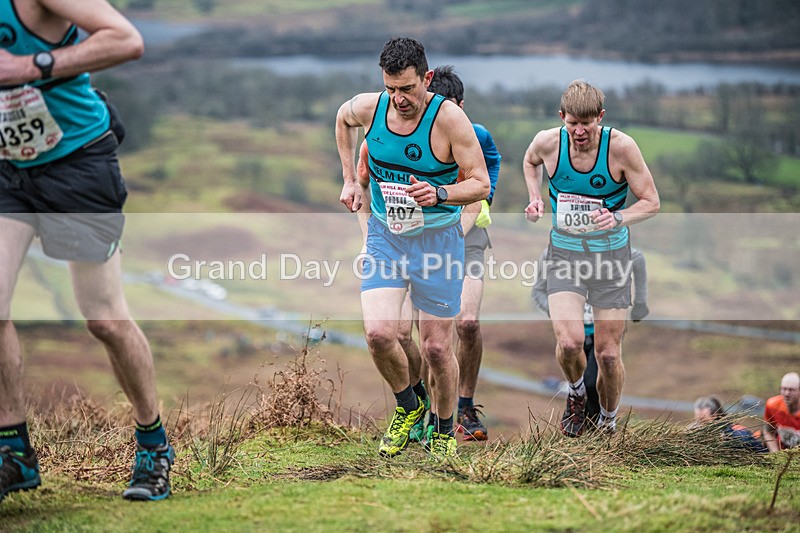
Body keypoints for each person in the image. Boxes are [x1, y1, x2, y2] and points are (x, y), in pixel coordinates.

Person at [0, 0, 174, 502]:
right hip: (8, 169)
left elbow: (127, 39)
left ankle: (153, 447)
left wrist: (30, 67)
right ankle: (14, 452)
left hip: (76, 162)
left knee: (103, 318)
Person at [336, 37, 490, 458]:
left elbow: (481, 184)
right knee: (379, 334)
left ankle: (443, 430)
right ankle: (409, 404)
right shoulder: (372, 107)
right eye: (391, 89)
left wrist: (439, 193)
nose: (398, 99)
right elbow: (342, 118)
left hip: (438, 241)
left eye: (407, 89)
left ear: (426, 78)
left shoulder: (450, 121)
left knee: (437, 348)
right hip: (387, 236)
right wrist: (350, 179)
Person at [523, 80, 660, 437]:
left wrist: (618, 217)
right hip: (565, 255)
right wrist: (535, 197)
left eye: (588, 123)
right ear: (561, 118)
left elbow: (651, 202)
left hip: (611, 260)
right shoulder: (548, 142)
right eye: (573, 124)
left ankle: (608, 423)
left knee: (608, 355)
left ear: (601, 116)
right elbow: (529, 160)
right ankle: (576, 394)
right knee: (569, 343)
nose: (580, 132)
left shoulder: (622, 148)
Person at [532, 246, 649, 425]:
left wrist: (641, 301)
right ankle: (585, 425)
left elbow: (638, 257)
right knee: (580, 380)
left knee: (592, 382)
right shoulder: (552, 252)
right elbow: (538, 291)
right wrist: (560, 312)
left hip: (603, 328)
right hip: (575, 331)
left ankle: (599, 426)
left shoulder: (607, 246)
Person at [691, 396, 767, 453]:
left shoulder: (736, 433)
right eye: (698, 420)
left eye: (704, 421)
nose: (700, 425)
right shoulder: (693, 431)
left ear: (716, 415)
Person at [763, 372, 800, 452]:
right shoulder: (772, 405)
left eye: (791, 390)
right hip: (782, 451)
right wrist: (775, 453)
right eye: (784, 389)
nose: (786, 393)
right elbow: (768, 431)